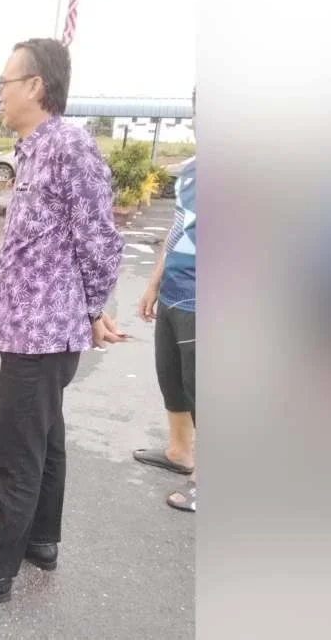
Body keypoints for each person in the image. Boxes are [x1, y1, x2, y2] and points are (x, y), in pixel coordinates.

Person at [0, 38, 126, 607]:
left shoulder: (68, 146)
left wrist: (91, 308)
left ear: (35, 86)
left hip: (43, 332)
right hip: (31, 327)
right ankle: (39, 538)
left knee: (14, 451)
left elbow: (101, 240)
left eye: (4, 83)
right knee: (45, 439)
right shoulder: (33, 149)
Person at [134, 88, 197, 512]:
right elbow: (177, 229)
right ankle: (180, 452)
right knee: (172, 379)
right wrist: (154, 283)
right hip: (175, 291)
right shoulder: (190, 173)